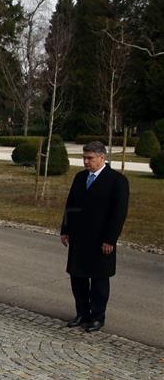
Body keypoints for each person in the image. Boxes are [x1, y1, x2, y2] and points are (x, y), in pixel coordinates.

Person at [60, 141, 129, 333]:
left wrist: (110, 239)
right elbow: (70, 205)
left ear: (102, 158)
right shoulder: (80, 178)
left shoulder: (117, 181)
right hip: (79, 238)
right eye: (84, 157)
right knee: (78, 278)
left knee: (99, 281)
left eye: (90, 158)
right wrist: (65, 229)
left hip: (101, 241)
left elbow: (119, 213)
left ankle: (97, 317)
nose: (86, 162)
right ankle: (82, 313)